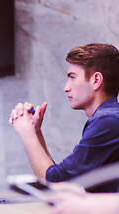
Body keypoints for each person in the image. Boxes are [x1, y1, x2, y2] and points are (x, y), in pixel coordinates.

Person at [9, 43, 119, 192]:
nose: (66, 87)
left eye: (73, 77)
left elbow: (56, 184)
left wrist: (25, 131)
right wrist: (35, 132)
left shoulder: (107, 122)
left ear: (96, 80)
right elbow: (56, 176)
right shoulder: (108, 118)